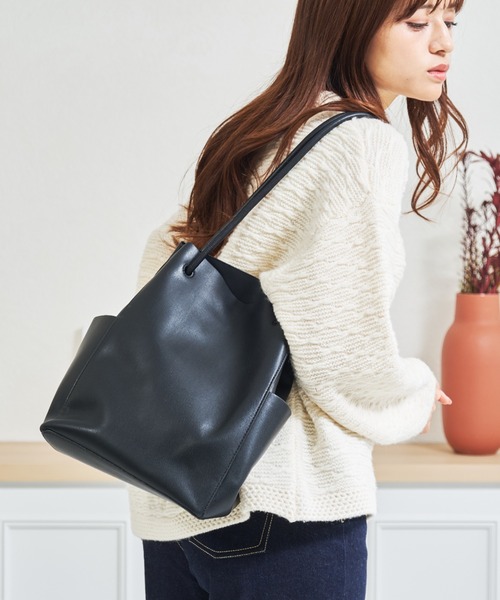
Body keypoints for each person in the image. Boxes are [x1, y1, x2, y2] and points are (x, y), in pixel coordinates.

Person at [129, 0, 467, 598]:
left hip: (176, 494)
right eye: (417, 22)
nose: (443, 43)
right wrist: (410, 394)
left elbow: (166, 258)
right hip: (281, 501)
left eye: (451, 21)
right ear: (348, 23)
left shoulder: (267, 126)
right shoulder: (359, 143)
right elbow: (340, 347)